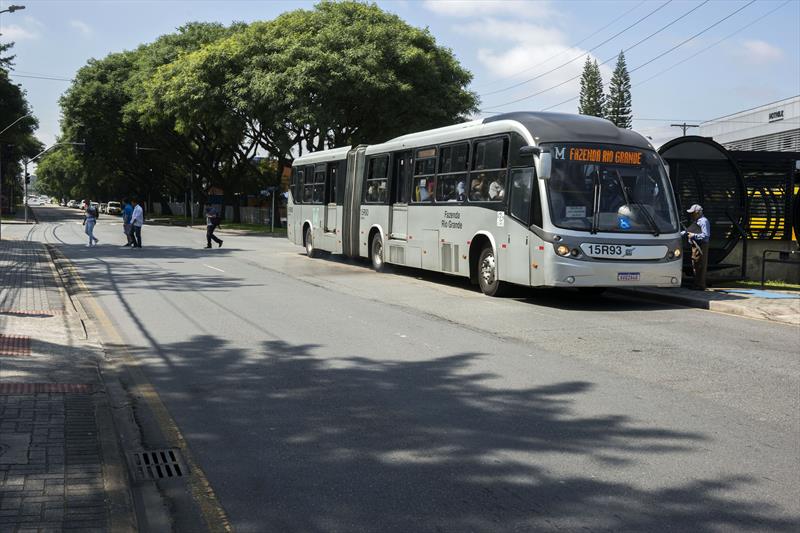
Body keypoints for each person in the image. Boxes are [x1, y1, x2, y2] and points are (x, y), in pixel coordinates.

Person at [684, 204, 710, 290]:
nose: (691, 215)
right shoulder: (697, 221)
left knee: (700, 266)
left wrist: (693, 235)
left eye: (692, 213)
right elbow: (688, 231)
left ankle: (700, 285)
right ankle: (697, 284)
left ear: (698, 213)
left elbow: (705, 236)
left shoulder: (703, 221)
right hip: (696, 245)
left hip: (701, 246)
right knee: (696, 265)